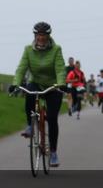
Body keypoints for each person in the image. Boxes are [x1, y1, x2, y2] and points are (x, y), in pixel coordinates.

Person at [8, 22, 66, 167]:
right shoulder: (28, 50)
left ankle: (53, 153)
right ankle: (30, 125)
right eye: (38, 35)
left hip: (53, 86)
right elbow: (21, 68)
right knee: (29, 92)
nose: (41, 38)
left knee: (52, 118)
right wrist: (15, 83)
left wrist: (61, 83)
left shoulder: (56, 49)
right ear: (35, 36)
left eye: (44, 35)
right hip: (36, 82)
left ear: (48, 36)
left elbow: (60, 69)